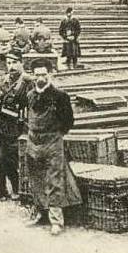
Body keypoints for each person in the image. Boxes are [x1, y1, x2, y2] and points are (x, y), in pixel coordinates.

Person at [24, 58, 81, 236]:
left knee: (54, 179)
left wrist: (57, 135)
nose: (40, 78)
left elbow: (68, 121)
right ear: (33, 76)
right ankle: (40, 213)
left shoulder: (60, 96)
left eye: (44, 74)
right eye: (37, 75)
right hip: (33, 141)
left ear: (50, 74)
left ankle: (56, 220)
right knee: (36, 177)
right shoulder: (30, 96)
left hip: (52, 142)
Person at [0, 50, 31, 200]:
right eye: (8, 62)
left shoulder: (27, 82)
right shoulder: (2, 80)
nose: (11, 66)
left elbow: (30, 106)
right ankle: (1, 189)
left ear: (21, 63)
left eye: (14, 62)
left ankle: (17, 189)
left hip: (13, 126)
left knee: (7, 158)